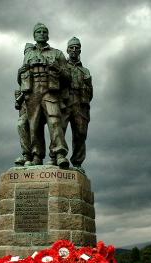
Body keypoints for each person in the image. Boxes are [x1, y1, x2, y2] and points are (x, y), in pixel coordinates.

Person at [17, 23, 70, 168]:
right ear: (34, 35)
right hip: (32, 92)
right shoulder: (28, 54)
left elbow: (68, 77)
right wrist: (19, 73)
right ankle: (36, 155)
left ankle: (59, 154)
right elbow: (22, 78)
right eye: (38, 32)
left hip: (50, 91)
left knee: (54, 121)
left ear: (48, 35)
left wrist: (58, 69)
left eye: (44, 31)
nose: (41, 34)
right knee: (34, 125)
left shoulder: (57, 53)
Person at [62, 37, 93, 172]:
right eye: (71, 47)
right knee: (59, 130)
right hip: (65, 102)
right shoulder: (62, 66)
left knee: (80, 134)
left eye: (77, 47)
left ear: (80, 50)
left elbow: (91, 91)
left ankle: (77, 163)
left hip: (80, 104)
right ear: (67, 50)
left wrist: (84, 99)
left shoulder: (85, 71)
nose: (74, 50)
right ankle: (59, 157)